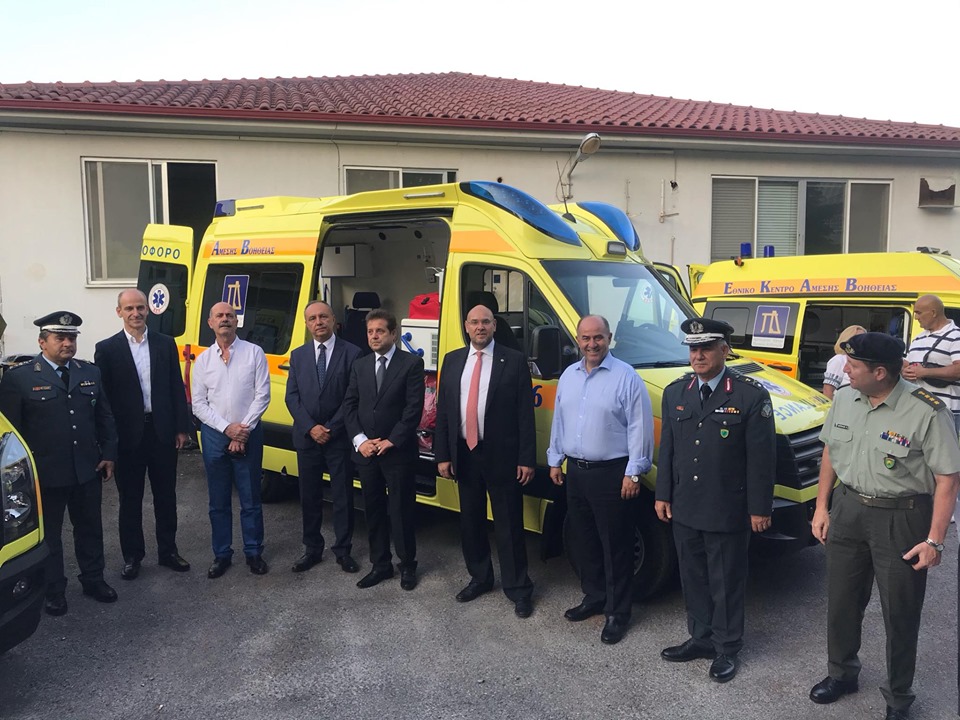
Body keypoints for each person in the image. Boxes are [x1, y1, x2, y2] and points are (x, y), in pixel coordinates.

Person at [809, 332, 960, 720]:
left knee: (900, 612)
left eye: (853, 365)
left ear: (880, 372)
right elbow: (830, 451)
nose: (845, 370)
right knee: (842, 602)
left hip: (901, 516)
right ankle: (842, 674)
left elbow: (947, 477)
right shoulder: (845, 398)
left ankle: (898, 696)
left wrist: (935, 541)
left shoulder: (927, 410)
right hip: (848, 508)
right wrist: (822, 508)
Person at [655, 317, 776, 683]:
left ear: (725, 349)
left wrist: (759, 508)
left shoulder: (749, 395)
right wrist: (663, 494)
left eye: (706, 348)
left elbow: (761, 459)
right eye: (693, 348)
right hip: (686, 504)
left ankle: (727, 647)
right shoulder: (676, 392)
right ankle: (701, 637)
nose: (698, 355)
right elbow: (668, 449)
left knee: (726, 580)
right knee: (692, 576)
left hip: (727, 507)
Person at [0, 311, 118, 616]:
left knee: (90, 528)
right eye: (60, 338)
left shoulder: (89, 372)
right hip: (45, 473)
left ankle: (93, 580)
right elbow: (11, 434)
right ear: (42, 342)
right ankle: (53, 590)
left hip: (86, 469)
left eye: (72, 338)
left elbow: (104, 417)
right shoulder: (19, 378)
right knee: (49, 536)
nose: (67, 343)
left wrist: (108, 454)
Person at [547, 315, 653, 645]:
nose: (592, 344)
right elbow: (560, 421)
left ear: (609, 338)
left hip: (612, 474)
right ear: (578, 340)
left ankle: (618, 613)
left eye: (598, 337)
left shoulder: (626, 377)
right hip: (577, 472)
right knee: (585, 540)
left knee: (616, 546)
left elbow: (640, 427)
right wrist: (555, 459)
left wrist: (634, 472)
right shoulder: (569, 375)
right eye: (586, 338)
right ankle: (594, 597)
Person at [434, 304, 536, 618]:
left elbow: (524, 414)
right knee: (471, 521)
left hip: (502, 455)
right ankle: (480, 578)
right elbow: (444, 411)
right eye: (475, 322)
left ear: (494, 326)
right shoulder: (452, 360)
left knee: (509, 524)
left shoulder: (513, 360)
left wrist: (526, 458)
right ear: (466, 326)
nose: (480, 327)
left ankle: (518, 588)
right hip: (464, 454)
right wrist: (443, 454)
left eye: (486, 322)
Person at [94, 289, 191, 580]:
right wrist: (108, 441)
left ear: (148, 310)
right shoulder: (107, 349)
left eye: (140, 308)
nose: (135, 313)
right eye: (129, 309)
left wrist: (182, 427)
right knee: (130, 500)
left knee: (166, 496)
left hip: (162, 432)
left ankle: (168, 551)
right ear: (119, 312)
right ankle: (132, 556)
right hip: (128, 437)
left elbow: (176, 386)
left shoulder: (165, 343)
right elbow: (104, 400)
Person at [343, 309, 424, 591]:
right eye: (370, 332)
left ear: (393, 334)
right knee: (373, 510)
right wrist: (360, 441)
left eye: (380, 331)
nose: (374, 336)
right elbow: (350, 406)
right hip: (366, 453)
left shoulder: (411, 364)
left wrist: (392, 440)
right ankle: (380, 564)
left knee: (401, 511)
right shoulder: (360, 366)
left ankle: (407, 565)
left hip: (397, 452)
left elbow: (413, 408)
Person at [191, 302, 271, 578]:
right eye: (219, 316)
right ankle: (222, 554)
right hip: (215, 436)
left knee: (251, 498)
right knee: (218, 501)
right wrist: (228, 429)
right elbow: (198, 404)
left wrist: (243, 430)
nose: (225, 319)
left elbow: (263, 395)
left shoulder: (254, 353)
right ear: (210, 323)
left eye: (230, 315)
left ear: (237, 322)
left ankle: (254, 552)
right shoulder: (203, 360)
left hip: (249, 433)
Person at [285, 301, 363, 574]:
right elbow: (292, 397)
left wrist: (329, 428)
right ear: (306, 324)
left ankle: (343, 550)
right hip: (307, 438)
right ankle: (312, 549)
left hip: (338, 438)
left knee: (342, 496)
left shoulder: (352, 353)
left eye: (323, 317)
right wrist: (311, 428)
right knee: (309, 496)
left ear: (333, 320)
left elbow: (352, 397)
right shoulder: (298, 356)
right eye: (312, 318)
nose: (318, 322)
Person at [901, 294, 960, 432]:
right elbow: (909, 365)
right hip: (916, 408)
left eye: (919, 313)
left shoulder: (956, 336)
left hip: (944, 410)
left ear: (933, 313)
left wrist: (925, 372)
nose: (916, 317)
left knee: (942, 446)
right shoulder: (918, 338)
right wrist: (905, 371)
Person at [822, 324, 866, 399]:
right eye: (857, 338)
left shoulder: (863, 360)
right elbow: (828, 390)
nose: (861, 342)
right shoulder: (838, 360)